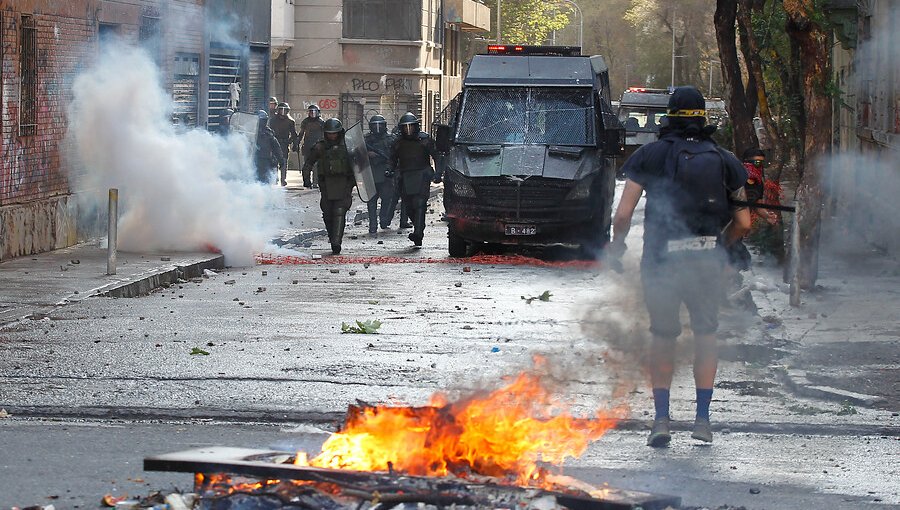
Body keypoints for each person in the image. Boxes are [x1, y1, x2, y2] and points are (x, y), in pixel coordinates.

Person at [609, 86, 751, 447]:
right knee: (706, 334)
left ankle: (661, 420)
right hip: (704, 260)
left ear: (668, 115)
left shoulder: (650, 155)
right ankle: (702, 420)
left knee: (663, 336)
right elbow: (745, 223)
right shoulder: (725, 160)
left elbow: (623, 215)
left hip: (661, 261)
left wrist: (618, 245)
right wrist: (720, 248)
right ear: (703, 117)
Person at [302, 118, 356, 255]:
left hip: (344, 183)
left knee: (339, 211)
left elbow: (358, 163)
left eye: (335, 133)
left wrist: (355, 182)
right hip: (326, 184)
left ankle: (336, 242)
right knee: (327, 213)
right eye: (329, 133)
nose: (332, 136)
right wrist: (306, 179)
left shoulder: (348, 145)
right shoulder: (320, 146)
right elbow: (309, 162)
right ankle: (332, 238)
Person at [390, 112, 438, 247]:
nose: (408, 130)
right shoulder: (398, 143)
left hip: (422, 174)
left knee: (419, 203)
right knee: (409, 206)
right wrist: (389, 170)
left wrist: (438, 172)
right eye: (405, 127)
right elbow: (392, 158)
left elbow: (436, 155)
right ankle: (418, 225)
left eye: (411, 127)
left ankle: (418, 233)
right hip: (405, 175)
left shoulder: (425, 140)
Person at [364, 114, 395, 234]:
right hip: (370, 174)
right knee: (371, 201)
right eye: (374, 125)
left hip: (385, 173)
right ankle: (372, 225)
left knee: (387, 199)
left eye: (379, 125)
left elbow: (394, 155)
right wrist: (367, 154)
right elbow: (358, 154)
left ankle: (383, 219)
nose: (377, 128)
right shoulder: (366, 140)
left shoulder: (390, 139)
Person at [270, 102, 299, 186]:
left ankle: (283, 179)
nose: (282, 112)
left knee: (283, 161)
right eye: (281, 110)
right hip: (275, 142)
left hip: (284, 143)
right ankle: (274, 178)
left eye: (284, 110)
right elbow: (270, 130)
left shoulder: (290, 121)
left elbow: (294, 134)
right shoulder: (273, 119)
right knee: (274, 161)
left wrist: (294, 143)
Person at [254, 110, 285, 183]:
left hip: (265, 160)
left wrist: (281, 160)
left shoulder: (268, 133)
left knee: (264, 180)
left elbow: (276, 147)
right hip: (253, 159)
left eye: (263, 120)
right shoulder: (250, 131)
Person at [298, 105, 326, 188]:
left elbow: (325, 134)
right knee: (307, 165)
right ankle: (307, 182)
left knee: (316, 166)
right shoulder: (305, 122)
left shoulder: (321, 122)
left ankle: (315, 182)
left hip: (317, 147)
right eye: (311, 111)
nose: (312, 113)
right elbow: (301, 133)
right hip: (307, 146)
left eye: (314, 111)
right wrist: (297, 142)